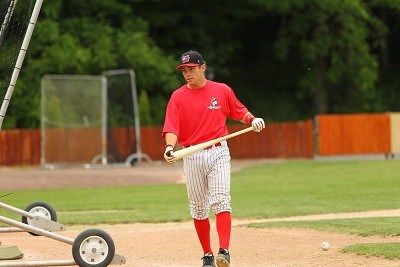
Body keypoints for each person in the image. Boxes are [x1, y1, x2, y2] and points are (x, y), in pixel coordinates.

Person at [162, 50, 265, 267]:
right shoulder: (178, 97)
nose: (187, 74)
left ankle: (224, 251)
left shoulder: (221, 90)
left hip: (218, 151)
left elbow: (239, 111)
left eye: (191, 69)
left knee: (221, 200)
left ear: (202, 67)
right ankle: (207, 255)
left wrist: (253, 120)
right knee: (199, 207)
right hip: (191, 154)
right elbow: (171, 127)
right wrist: (170, 147)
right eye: (184, 70)